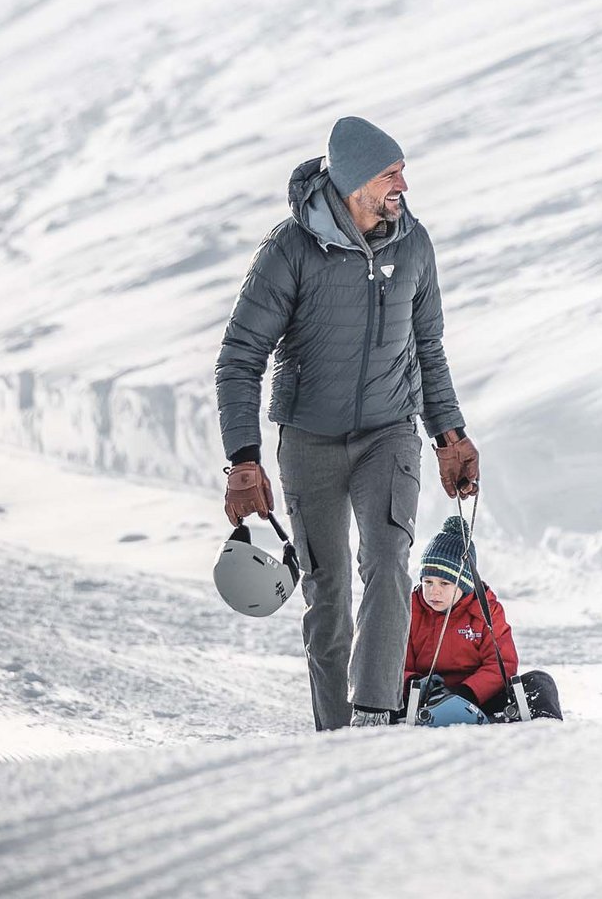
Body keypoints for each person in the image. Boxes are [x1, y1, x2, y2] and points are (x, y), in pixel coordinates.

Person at [216, 116, 481, 731]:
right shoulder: (290, 249)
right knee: (327, 593)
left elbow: (429, 348)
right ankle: (333, 734)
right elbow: (240, 356)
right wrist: (245, 458)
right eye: (391, 174)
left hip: (389, 432)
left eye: (403, 171)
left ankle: (374, 714)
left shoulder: (414, 245)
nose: (403, 186)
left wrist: (450, 435)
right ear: (355, 180)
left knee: (388, 561)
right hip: (309, 440)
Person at [404, 516, 563, 722]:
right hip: (426, 698)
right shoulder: (411, 610)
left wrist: (468, 693)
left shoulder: (485, 610)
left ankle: (543, 728)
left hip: (478, 697)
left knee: (540, 682)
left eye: (444, 583)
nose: (434, 591)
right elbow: (395, 663)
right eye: (428, 582)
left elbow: (502, 664)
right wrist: (414, 683)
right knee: (374, 685)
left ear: (465, 584)